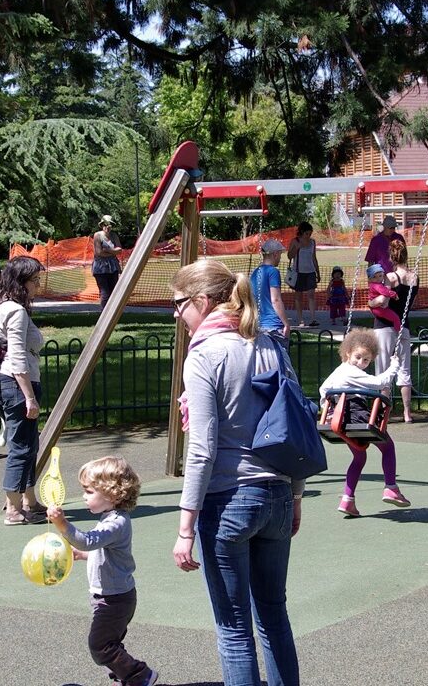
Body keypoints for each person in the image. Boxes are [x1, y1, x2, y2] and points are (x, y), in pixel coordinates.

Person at [170, 259, 302, 686]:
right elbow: (295, 425)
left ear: (202, 301)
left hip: (228, 500)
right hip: (277, 494)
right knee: (274, 617)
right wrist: (296, 495)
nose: (176, 314)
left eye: (178, 304)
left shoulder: (205, 355)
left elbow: (202, 449)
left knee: (234, 630)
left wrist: (185, 526)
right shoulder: (270, 346)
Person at [48, 456, 158, 686]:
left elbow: (88, 540)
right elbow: (103, 551)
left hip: (115, 600)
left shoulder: (116, 523)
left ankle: (140, 676)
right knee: (110, 643)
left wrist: (63, 525)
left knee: (99, 646)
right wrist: (82, 555)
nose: (84, 496)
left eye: (88, 491)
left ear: (111, 494)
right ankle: (125, 676)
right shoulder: (109, 518)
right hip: (111, 597)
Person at [319, 329, 410, 517]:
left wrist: (328, 408)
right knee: (388, 447)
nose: (361, 363)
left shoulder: (339, 371)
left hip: (342, 421)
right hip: (356, 419)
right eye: (358, 357)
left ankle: (347, 500)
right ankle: (391, 488)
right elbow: (380, 382)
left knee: (359, 458)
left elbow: (324, 389)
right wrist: (394, 366)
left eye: (366, 360)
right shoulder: (350, 370)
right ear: (347, 354)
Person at [0, 255, 48, 525]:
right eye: (34, 280)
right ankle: (13, 508)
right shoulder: (15, 311)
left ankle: (30, 501)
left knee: (29, 444)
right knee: (21, 447)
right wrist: (29, 397)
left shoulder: (5, 307)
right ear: (21, 282)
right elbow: (16, 358)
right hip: (16, 384)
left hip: (7, 382)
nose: (38, 286)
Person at [381, 238, 419, 422]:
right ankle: (407, 413)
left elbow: (385, 302)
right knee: (404, 371)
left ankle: (384, 412)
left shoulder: (390, 277)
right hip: (404, 325)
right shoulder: (414, 277)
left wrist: (374, 302)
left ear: (392, 257)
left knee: (384, 369)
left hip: (386, 326)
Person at [249, 238, 290, 342]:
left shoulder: (255, 273)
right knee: (280, 357)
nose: (280, 258)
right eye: (280, 255)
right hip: (273, 325)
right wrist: (286, 323)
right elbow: (275, 299)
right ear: (275, 254)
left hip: (258, 324)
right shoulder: (273, 272)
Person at [286, 222, 320, 327]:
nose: (308, 236)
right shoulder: (295, 241)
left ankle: (313, 318)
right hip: (298, 272)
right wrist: (297, 247)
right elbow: (289, 256)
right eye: (307, 234)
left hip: (310, 272)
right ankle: (300, 319)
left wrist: (317, 272)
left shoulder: (313, 242)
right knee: (298, 297)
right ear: (302, 232)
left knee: (311, 295)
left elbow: (314, 258)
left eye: (310, 234)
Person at [92, 215, 123, 308]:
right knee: (105, 293)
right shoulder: (97, 235)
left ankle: (112, 314)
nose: (107, 227)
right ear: (102, 225)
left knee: (114, 292)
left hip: (113, 268)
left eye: (109, 225)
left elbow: (120, 249)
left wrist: (108, 250)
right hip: (100, 268)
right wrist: (113, 252)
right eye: (105, 224)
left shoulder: (114, 235)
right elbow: (99, 253)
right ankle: (104, 316)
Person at [365, 263, 398, 330]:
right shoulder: (376, 285)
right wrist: (394, 294)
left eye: (380, 276)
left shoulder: (374, 284)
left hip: (376, 307)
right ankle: (398, 332)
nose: (378, 279)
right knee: (396, 319)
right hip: (379, 309)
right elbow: (385, 292)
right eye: (374, 277)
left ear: (383, 276)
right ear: (370, 279)